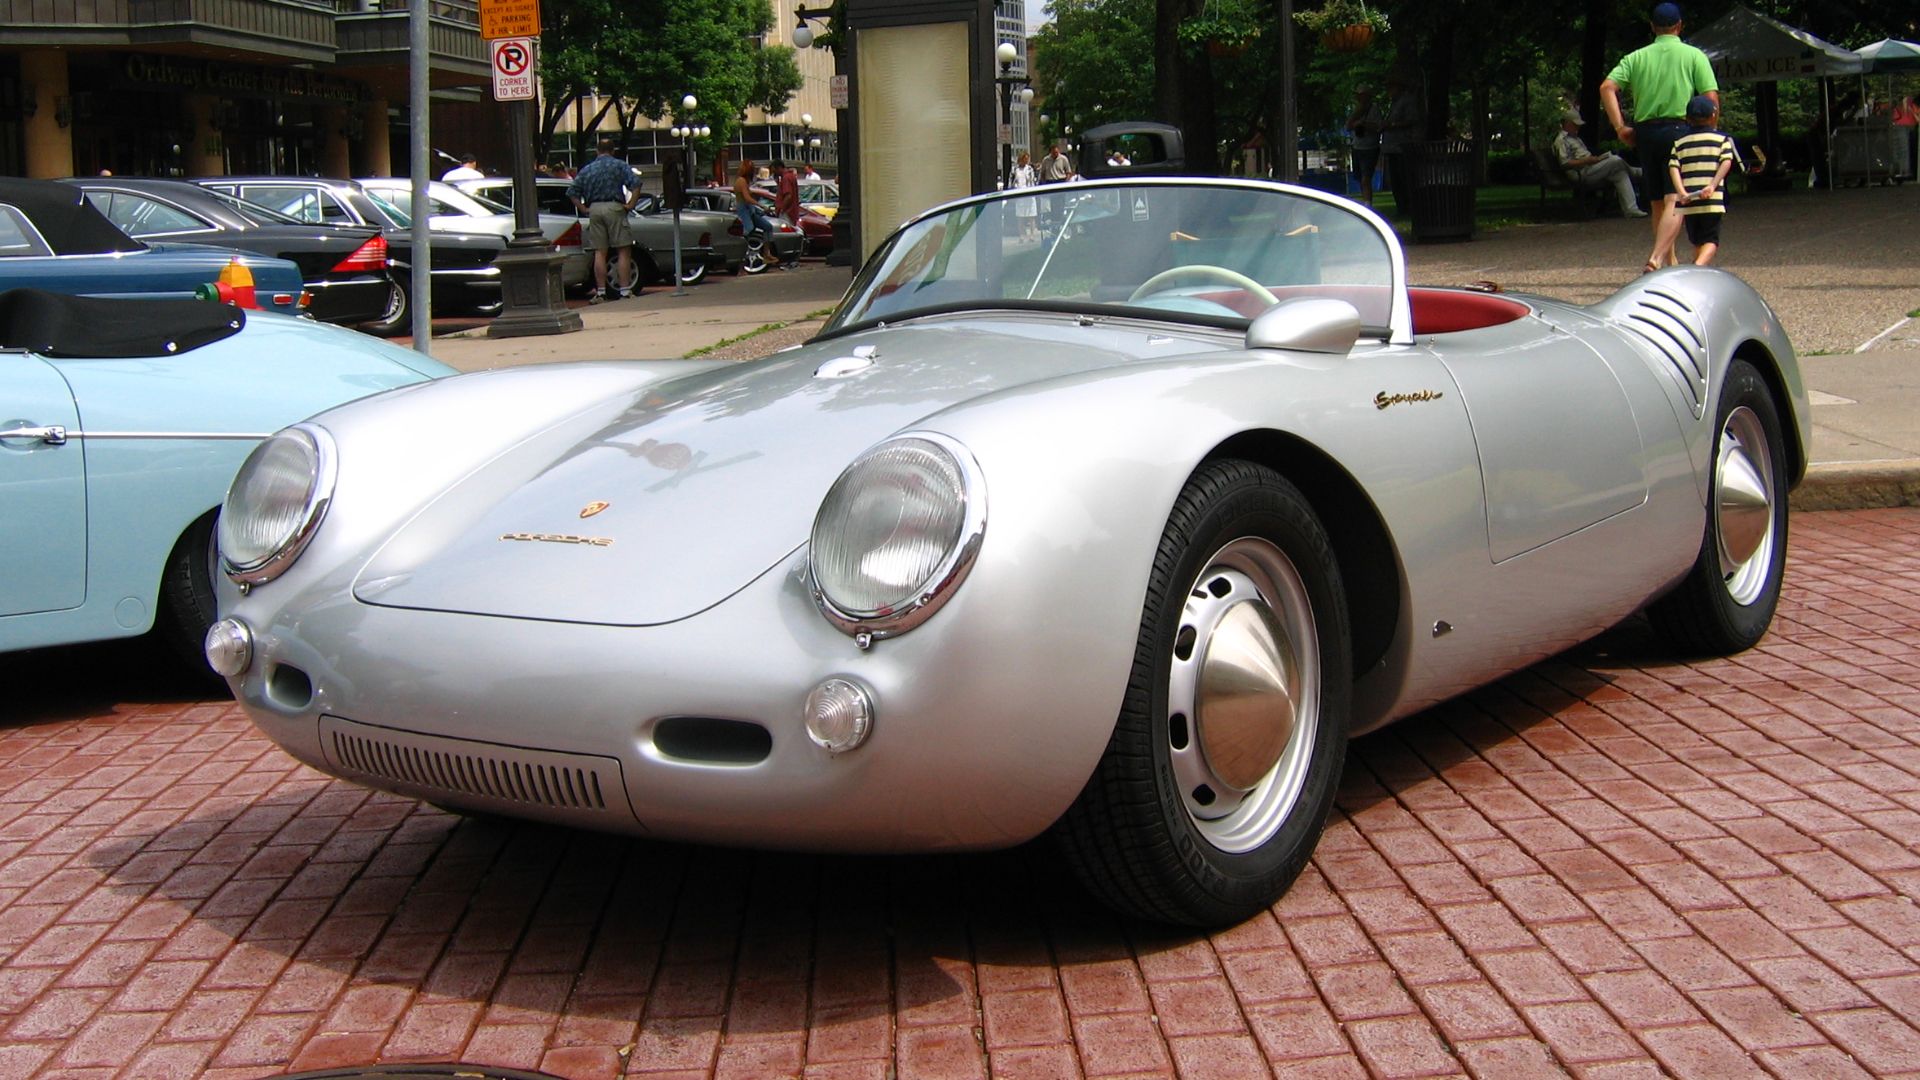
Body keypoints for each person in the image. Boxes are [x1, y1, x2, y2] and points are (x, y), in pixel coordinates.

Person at [1601, 2, 1717, 268]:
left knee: (1656, 202)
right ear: (1680, 26)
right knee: (1675, 198)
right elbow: (1711, 98)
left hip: (1646, 131)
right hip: (1680, 129)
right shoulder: (1693, 55)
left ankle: (1670, 261)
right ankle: (1657, 257)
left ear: (1653, 27)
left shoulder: (1636, 57)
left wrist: (1620, 127)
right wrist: (1710, 133)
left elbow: (1607, 87)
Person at [1649, 94, 1737, 268]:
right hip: (1711, 199)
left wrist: (1681, 191)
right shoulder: (1721, 140)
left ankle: (1698, 270)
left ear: (1687, 119)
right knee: (1711, 241)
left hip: (1689, 199)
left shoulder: (1680, 142)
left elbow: (1673, 167)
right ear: (1713, 116)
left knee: (1696, 239)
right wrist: (1713, 184)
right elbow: (1726, 162)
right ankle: (1696, 267)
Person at [566, 134, 640, 302]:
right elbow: (636, 184)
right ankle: (625, 290)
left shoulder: (587, 169)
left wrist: (584, 208)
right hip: (615, 207)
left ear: (597, 151)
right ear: (612, 150)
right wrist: (630, 205)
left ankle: (600, 292)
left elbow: (572, 192)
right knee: (623, 249)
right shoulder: (619, 166)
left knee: (600, 251)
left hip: (594, 209)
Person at [1553, 107, 1648, 217]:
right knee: (1615, 161)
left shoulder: (1575, 138)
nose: (1578, 127)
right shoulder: (1561, 140)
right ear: (1567, 123)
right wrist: (1586, 160)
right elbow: (1565, 163)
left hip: (1589, 168)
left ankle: (1631, 210)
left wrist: (1594, 160)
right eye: (1575, 124)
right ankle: (1636, 172)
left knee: (1619, 173)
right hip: (1580, 173)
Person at [1380, 72, 1422, 214]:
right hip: (1392, 147)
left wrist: (1392, 125)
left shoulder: (1407, 101)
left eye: (1391, 87)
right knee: (1396, 180)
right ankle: (1401, 206)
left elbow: (1412, 120)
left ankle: (1409, 206)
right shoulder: (1394, 103)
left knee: (1404, 178)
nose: (1388, 91)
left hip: (1401, 146)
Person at [1346, 84, 1383, 206]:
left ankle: (1368, 204)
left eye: (1362, 95)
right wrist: (1356, 122)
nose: (1359, 98)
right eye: (1358, 96)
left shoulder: (1374, 110)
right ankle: (1366, 201)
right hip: (1357, 147)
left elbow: (1378, 127)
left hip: (1370, 148)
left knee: (1366, 178)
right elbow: (1348, 126)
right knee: (1359, 177)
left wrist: (1364, 124)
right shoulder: (1355, 110)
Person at [732, 158, 778, 251]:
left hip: (749, 209)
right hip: (744, 208)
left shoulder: (742, 181)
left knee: (767, 226)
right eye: (751, 168)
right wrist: (761, 206)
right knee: (748, 228)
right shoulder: (741, 181)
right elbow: (747, 198)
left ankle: (767, 252)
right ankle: (740, 249)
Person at [1009, 151, 1039, 240]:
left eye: (1027, 159)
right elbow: (1011, 181)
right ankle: (1021, 235)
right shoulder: (1015, 169)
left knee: (1031, 215)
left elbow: (1033, 180)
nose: (1026, 161)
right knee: (1020, 216)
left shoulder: (1030, 169)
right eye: (1025, 159)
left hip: (1029, 193)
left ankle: (1032, 234)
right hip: (1019, 194)